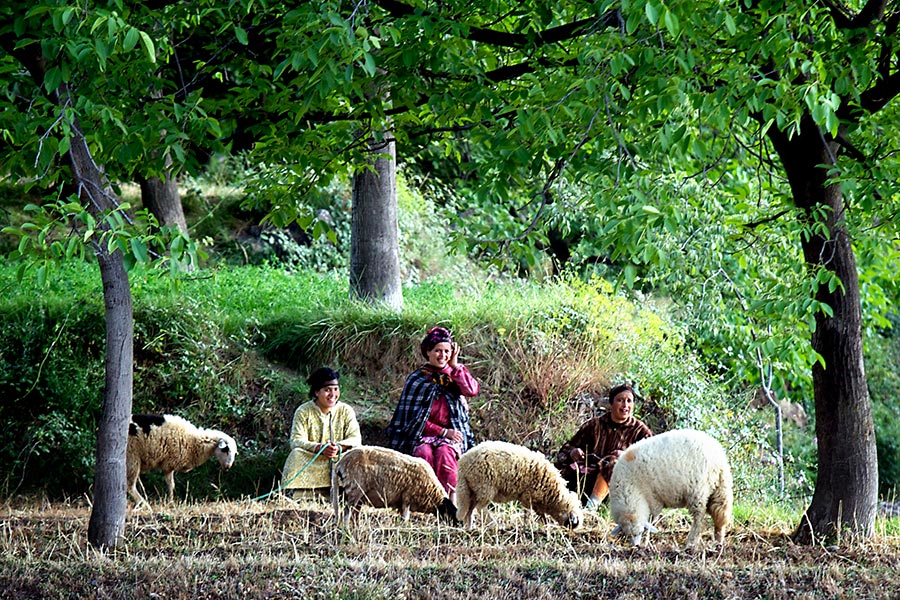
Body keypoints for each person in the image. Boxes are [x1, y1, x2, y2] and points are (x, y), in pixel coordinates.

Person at [387, 326, 479, 504]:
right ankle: (422, 501)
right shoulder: (417, 379)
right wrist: (443, 432)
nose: (442, 355)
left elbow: (471, 390)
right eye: (437, 350)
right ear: (428, 352)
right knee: (423, 455)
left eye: (447, 351)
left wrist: (455, 366)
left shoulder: (455, 375)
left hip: (452, 435)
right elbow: (414, 420)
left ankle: (449, 503)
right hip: (421, 434)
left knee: (446, 454)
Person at [554, 383, 653, 509]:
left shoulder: (640, 431)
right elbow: (565, 450)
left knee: (615, 462)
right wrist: (573, 452)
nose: (625, 405)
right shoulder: (594, 425)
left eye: (629, 401)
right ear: (611, 403)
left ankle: (591, 508)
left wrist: (627, 456)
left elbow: (652, 460)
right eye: (620, 400)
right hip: (587, 478)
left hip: (621, 486)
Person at [281, 367, 362, 498]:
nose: (332, 394)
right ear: (317, 392)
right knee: (296, 454)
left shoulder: (346, 411)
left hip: (338, 458)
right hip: (313, 458)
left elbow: (355, 438)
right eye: (327, 390)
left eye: (335, 389)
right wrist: (319, 448)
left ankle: (347, 493)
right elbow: (296, 440)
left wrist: (338, 447)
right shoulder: (303, 411)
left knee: (358, 454)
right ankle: (298, 493)